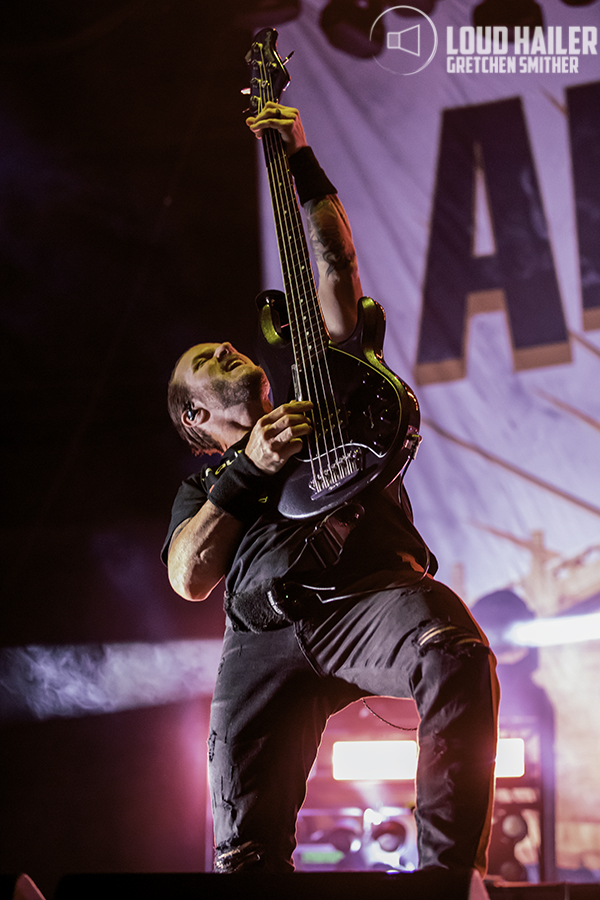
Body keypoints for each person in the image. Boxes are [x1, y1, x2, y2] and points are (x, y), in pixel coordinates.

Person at [163, 102, 499, 880]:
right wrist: (249, 468)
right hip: (262, 641)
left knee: (454, 648)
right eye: (205, 362)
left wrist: (299, 158)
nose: (226, 347)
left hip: (369, 602)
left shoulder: (326, 396)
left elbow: (335, 267)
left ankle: (446, 882)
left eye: (227, 346)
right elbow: (188, 576)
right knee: (245, 855)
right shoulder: (206, 485)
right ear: (193, 416)